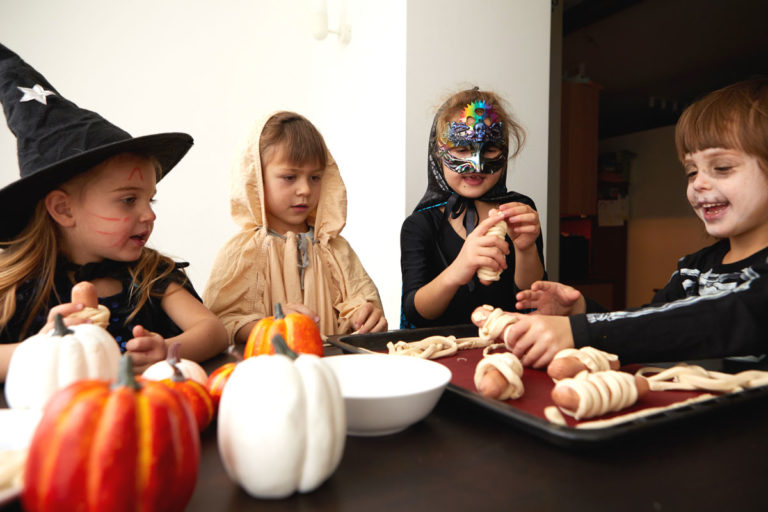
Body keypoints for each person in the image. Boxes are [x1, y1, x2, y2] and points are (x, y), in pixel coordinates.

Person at [478, 78, 768, 367]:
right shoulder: (693, 269)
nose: (699, 184)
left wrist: (580, 331)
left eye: (722, 168)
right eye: (691, 172)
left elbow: (717, 319)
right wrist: (581, 311)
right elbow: (651, 327)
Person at [0, 44, 228, 379]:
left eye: (150, 199)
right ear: (63, 209)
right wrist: (42, 349)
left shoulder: (149, 275)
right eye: (128, 200)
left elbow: (213, 331)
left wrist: (166, 350)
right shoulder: (15, 287)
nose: (149, 215)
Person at [203, 111, 386, 343]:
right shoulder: (243, 252)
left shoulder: (335, 249)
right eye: (290, 177)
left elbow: (360, 301)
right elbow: (222, 322)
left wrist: (367, 316)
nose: (305, 190)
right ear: (257, 179)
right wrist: (270, 327)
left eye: (315, 178)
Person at [400, 88, 546, 328]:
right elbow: (415, 312)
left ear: (504, 150)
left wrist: (526, 248)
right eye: (461, 149)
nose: (475, 164)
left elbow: (531, 298)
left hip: (507, 345)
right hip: (443, 351)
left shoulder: (519, 211)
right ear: (439, 152)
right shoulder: (419, 226)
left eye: (489, 150)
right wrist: (459, 268)